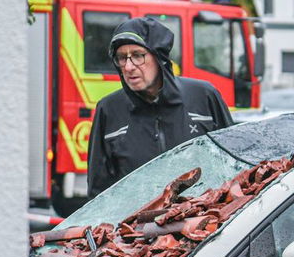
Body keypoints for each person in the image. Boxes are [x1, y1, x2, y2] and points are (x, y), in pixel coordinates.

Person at [86, 16, 235, 196]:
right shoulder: (109, 109)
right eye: (122, 58)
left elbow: (233, 163)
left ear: (159, 57)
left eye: (138, 55)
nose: (128, 66)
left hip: (203, 212)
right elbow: (98, 191)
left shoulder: (204, 96)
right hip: (138, 214)